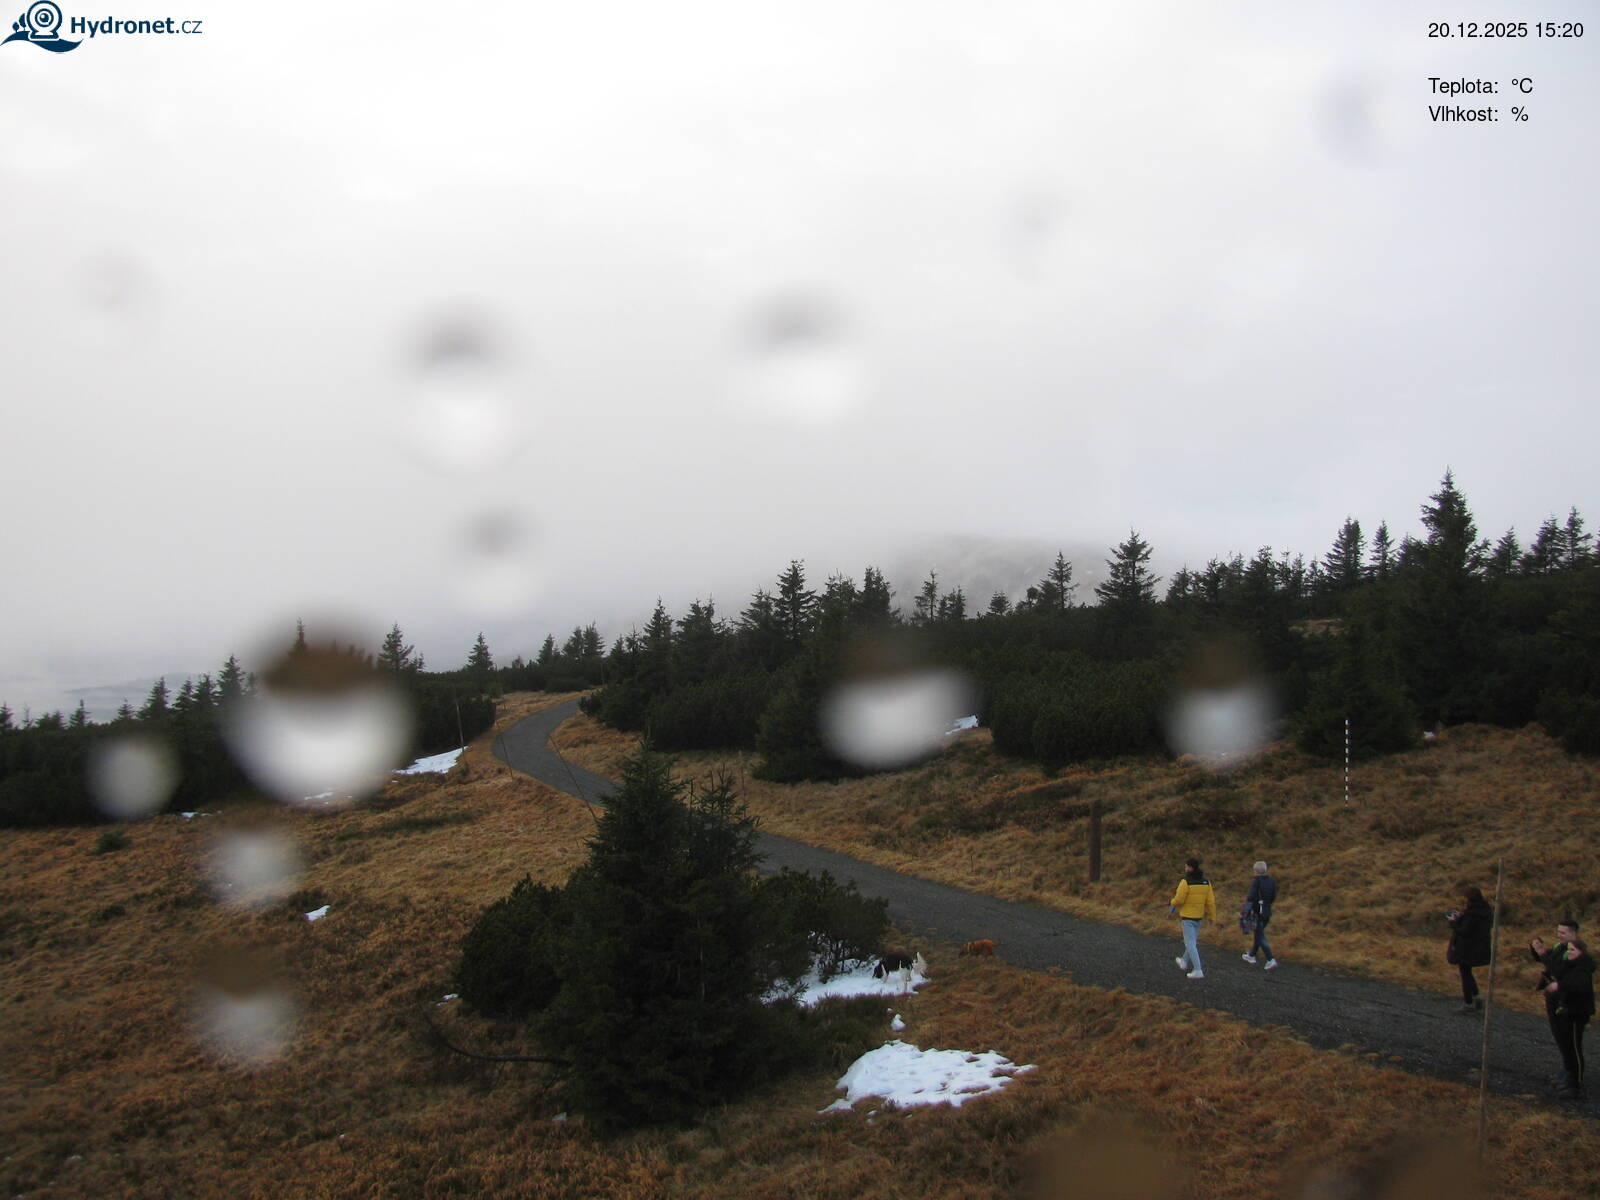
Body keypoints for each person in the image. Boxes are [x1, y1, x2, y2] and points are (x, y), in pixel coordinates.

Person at [1530, 920, 1593, 1100]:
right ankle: (1568, 1074)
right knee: (1563, 1040)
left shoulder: (1581, 966)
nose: (1559, 935)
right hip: (1565, 1005)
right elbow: (1553, 966)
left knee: (1573, 1046)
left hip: (1575, 1010)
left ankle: (1576, 1083)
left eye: (1563, 932)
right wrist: (1538, 950)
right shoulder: (1563, 951)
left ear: (1574, 934)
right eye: (1558, 931)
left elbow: (1571, 981)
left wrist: (1559, 985)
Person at [1446, 885, 1494, 1013]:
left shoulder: (1472, 914)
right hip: (1480, 947)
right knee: (1467, 972)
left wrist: (1453, 923)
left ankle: (1468, 1002)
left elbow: (1464, 931)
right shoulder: (1486, 910)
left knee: (1465, 973)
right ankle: (1477, 997)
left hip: (1467, 948)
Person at [1169, 857, 1217, 980]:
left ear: (1190, 868)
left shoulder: (1185, 882)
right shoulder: (1206, 882)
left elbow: (1179, 900)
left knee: (1189, 943)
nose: (1185, 869)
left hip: (1187, 917)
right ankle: (1184, 961)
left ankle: (1198, 969)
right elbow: (1210, 902)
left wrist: (1172, 903)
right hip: (1199, 917)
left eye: (1186, 867)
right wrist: (1212, 916)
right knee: (1192, 941)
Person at [1241, 860, 1279, 971]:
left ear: (1256, 871)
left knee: (1260, 935)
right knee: (1258, 933)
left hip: (1257, 912)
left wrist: (1248, 906)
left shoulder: (1256, 881)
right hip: (1267, 911)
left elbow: (1251, 896)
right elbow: (1273, 896)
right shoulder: (1271, 881)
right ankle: (1252, 955)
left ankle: (1270, 959)